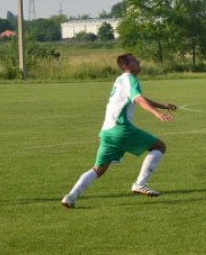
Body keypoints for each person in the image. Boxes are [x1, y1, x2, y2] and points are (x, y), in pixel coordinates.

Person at [61, 54, 176, 208]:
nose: (139, 61)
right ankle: (140, 184)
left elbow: (138, 97)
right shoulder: (130, 79)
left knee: (98, 169)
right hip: (120, 128)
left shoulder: (120, 80)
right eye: (135, 60)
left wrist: (162, 105)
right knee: (159, 146)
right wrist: (156, 112)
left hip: (107, 132)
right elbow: (138, 99)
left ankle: (70, 197)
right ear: (126, 66)